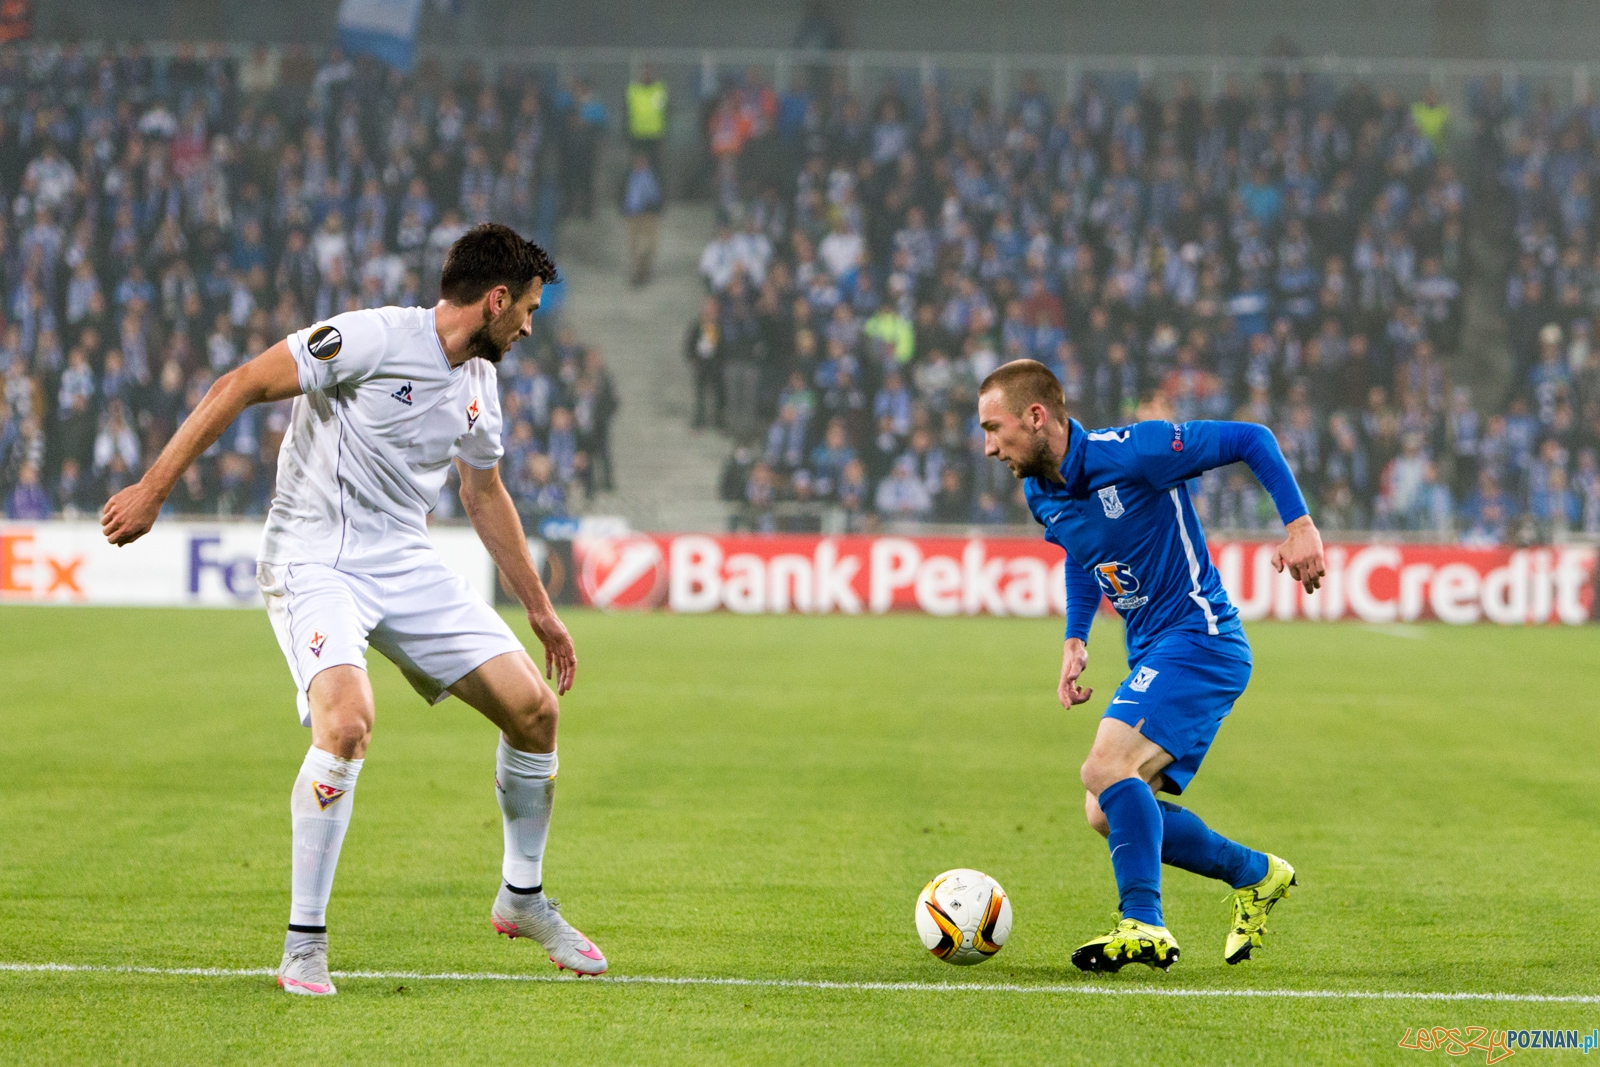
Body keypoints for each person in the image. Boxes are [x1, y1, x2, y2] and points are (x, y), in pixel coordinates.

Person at [100, 224, 607, 995]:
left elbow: (483, 491)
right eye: (528, 308)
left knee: (535, 712)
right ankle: (303, 944)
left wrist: (540, 609)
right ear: (495, 298)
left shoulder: (479, 379)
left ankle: (523, 896)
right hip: (315, 557)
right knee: (347, 722)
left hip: (403, 560)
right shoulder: (372, 338)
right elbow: (239, 383)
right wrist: (153, 489)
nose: (530, 326)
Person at [976, 359, 1325, 974]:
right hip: (1156, 648)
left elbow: (1253, 439)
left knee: (1105, 767)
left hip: (1201, 637)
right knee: (1104, 806)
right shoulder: (1039, 491)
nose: (987, 447)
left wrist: (1299, 526)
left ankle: (1144, 923)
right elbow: (1081, 553)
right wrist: (1075, 637)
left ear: (1035, 417)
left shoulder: (1137, 451)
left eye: (993, 428)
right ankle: (1257, 874)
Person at [620, 152, 664, 287]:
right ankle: (638, 271)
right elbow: (623, 192)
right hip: (632, 215)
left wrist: (654, 209)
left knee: (648, 245)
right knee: (634, 246)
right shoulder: (628, 176)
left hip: (647, 215)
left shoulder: (652, 176)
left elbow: (657, 195)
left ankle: (644, 270)